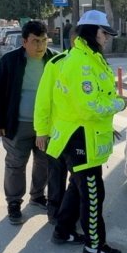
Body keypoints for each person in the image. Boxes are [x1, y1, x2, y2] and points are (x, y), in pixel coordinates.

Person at [43, 10, 127, 253]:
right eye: (105, 33)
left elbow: (101, 94)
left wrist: (114, 100)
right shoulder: (80, 63)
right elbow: (89, 107)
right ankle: (95, 246)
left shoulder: (91, 58)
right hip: (80, 139)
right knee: (93, 194)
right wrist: (120, 105)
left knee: (78, 188)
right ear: (92, 32)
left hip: (87, 137)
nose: (108, 38)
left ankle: (62, 231)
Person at [0, 21, 57, 225]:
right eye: (36, 41)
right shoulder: (10, 61)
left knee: (44, 162)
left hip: (45, 126)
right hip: (17, 124)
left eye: (44, 41)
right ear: (25, 41)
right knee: (16, 164)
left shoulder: (54, 60)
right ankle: (14, 203)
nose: (40, 46)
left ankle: (37, 196)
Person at [34, 31, 79, 224]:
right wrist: (41, 131)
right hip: (57, 134)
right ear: (76, 41)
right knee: (56, 177)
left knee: (77, 179)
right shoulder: (56, 63)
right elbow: (43, 100)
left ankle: (70, 214)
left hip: (80, 135)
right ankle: (54, 213)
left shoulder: (93, 65)